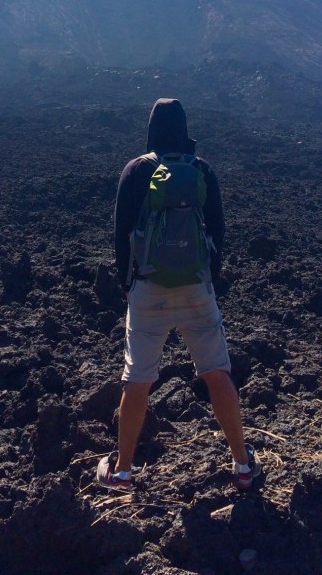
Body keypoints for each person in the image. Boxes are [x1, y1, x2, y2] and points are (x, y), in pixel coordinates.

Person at [96, 97, 262, 493]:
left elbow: (121, 237)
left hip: (148, 289)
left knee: (137, 379)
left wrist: (129, 285)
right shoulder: (201, 170)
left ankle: (121, 473)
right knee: (216, 371)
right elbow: (217, 232)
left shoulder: (137, 170)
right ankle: (242, 466)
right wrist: (208, 280)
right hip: (196, 288)